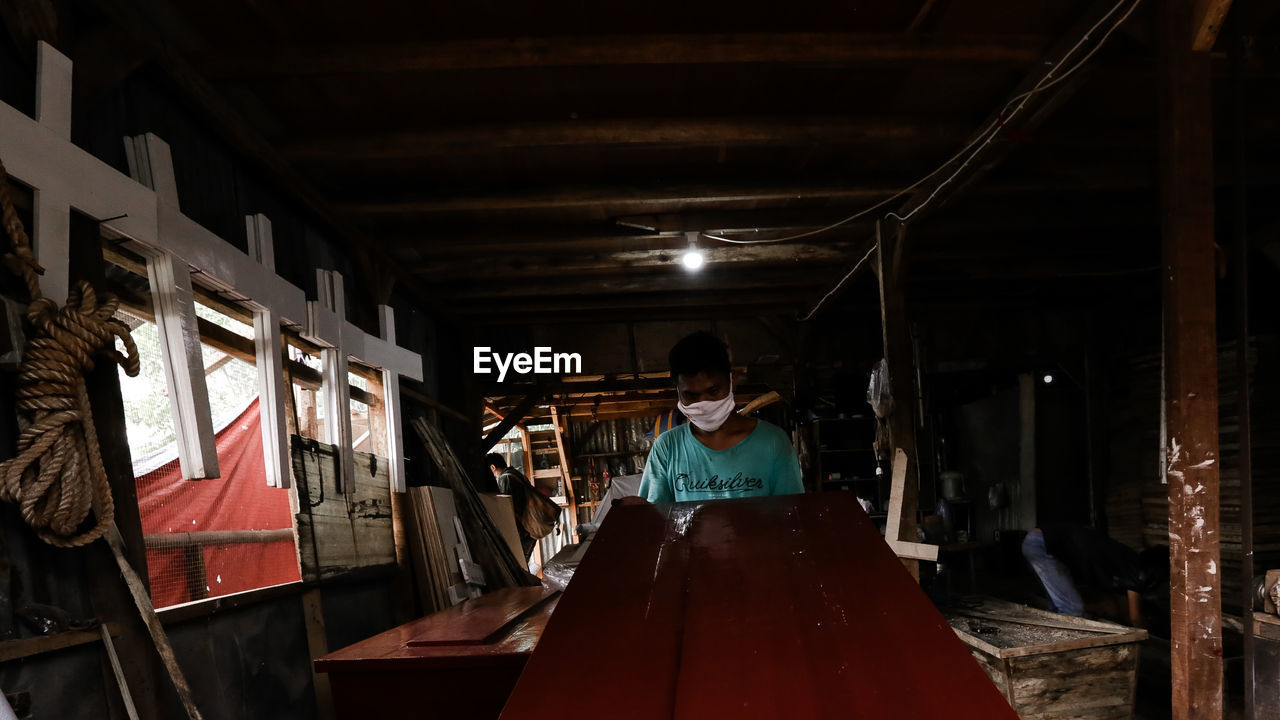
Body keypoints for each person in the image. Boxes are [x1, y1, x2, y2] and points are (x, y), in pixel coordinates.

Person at [635, 331, 804, 504]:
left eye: (713, 391)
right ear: (677, 390)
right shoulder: (667, 448)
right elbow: (656, 517)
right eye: (691, 395)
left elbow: (792, 515)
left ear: (732, 380)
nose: (704, 403)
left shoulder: (773, 443)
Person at [1022, 522, 1168, 627]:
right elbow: (1135, 618)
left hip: (1039, 541)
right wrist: (1147, 634)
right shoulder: (1136, 571)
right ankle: (1060, 653)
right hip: (1043, 545)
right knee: (1072, 608)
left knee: (1057, 606)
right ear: (1156, 570)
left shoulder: (1126, 560)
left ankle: (1047, 642)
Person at [486, 453, 536, 561]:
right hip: (529, 528)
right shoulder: (516, 474)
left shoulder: (505, 479)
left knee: (518, 563)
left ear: (492, 467)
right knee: (522, 562)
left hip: (522, 530)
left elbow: (509, 509)